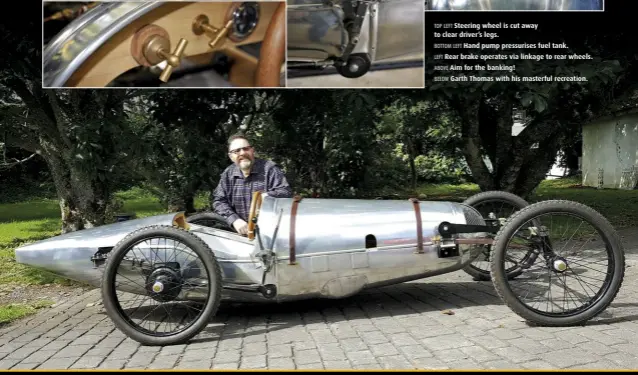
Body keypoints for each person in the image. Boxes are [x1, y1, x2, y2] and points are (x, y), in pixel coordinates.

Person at [212, 134, 293, 235]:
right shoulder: (228, 174)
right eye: (237, 151)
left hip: (271, 234)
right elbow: (219, 201)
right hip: (240, 234)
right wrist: (234, 220)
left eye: (246, 149)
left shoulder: (269, 169)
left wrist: (265, 197)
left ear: (252, 150)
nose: (242, 153)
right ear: (231, 156)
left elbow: (286, 192)